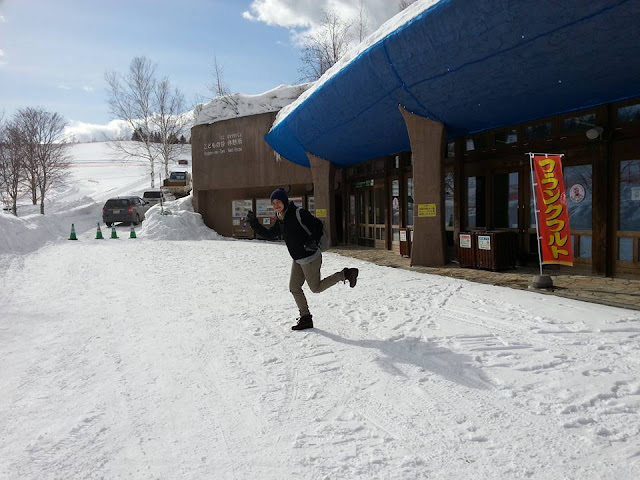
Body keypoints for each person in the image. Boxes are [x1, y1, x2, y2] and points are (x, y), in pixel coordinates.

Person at [246, 188, 359, 330]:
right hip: (298, 259)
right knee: (294, 287)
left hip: (310, 257)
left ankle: (345, 274)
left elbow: (317, 225)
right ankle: (306, 318)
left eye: (278, 202)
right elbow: (270, 234)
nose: (276, 205)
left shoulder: (298, 213)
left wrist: (313, 241)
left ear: (285, 201)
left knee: (316, 288)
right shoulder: (281, 217)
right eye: (273, 203)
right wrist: (254, 223)